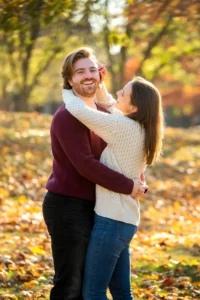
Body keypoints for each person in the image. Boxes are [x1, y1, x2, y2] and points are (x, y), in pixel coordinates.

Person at [43, 47, 147, 300]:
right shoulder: (68, 116)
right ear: (70, 80)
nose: (87, 76)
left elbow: (126, 146)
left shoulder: (101, 116)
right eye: (80, 72)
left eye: (92, 69)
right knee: (71, 285)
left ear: (100, 73)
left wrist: (138, 176)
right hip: (68, 207)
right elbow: (85, 164)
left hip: (100, 208)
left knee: (93, 282)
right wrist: (128, 186)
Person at [62, 74, 164, 299]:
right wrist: (100, 85)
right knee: (121, 292)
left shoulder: (123, 128)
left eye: (123, 93)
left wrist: (69, 86)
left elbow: (80, 112)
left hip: (111, 222)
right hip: (124, 222)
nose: (117, 94)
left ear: (135, 107)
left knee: (93, 293)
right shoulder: (141, 129)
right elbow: (110, 105)